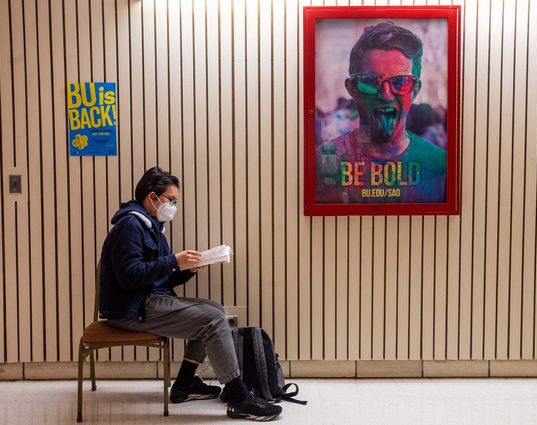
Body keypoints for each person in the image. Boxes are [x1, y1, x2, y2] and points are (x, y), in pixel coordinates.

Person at [99, 166, 282, 421]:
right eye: (170, 201)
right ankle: (239, 397)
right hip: (131, 308)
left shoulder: (152, 226)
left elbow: (162, 275)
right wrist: (174, 261)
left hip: (148, 301)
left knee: (213, 309)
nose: (173, 206)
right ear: (152, 197)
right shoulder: (130, 225)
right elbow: (130, 277)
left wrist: (193, 266)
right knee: (212, 320)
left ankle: (184, 384)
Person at [316, 22, 447, 204]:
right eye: (371, 82)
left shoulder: (440, 165)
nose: (386, 95)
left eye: (400, 82)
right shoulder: (324, 161)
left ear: (415, 90)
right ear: (353, 89)